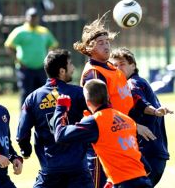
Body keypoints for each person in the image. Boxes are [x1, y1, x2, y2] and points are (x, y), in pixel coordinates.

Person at [73, 13, 156, 188]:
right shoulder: (94, 73)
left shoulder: (111, 67)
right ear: (89, 48)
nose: (106, 46)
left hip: (120, 131)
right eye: (100, 43)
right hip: (104, 135)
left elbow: (126, 99)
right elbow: (100, 106)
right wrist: (134, 125)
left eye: (107, 42)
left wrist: (147, 111)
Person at [53, 79, 153, 188]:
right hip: (143, 180)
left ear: (88, 102)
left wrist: (61, 109)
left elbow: (60, 135)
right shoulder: (127, 119)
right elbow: (142, 164)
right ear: (108, 97)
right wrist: (112, 180)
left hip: (124, 183)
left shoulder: (94, 121)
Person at [16, 49, 94, 188]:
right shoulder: (78, 93)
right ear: (62, 71)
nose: (73, 68)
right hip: (77, 168)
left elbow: (22, 133)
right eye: (70, 64)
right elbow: (99, 115)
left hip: (50, 170)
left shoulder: (33, 98)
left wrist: (25, 151)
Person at [110, 47, 174, 186]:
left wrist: (154, 111)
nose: (118, 68)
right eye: (114, 65)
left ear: (133, 65)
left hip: (147, 154)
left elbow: (139, 101)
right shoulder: (141, 81)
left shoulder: (132, 83)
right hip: (155, 153)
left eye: (122, 64)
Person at [4, 7, 58, 107]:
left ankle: (40, 116)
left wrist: (49, 59)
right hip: (25, 68)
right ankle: (25, 116)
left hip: (41, 68)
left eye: (35, 16)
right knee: (26, 93)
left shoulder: (43, 31)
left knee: (43, 93)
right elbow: (9, 45)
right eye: (31, 16)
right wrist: (17, 60)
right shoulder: (20, 31)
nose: (33, 19)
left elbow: (53, 44)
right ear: (26, 17)